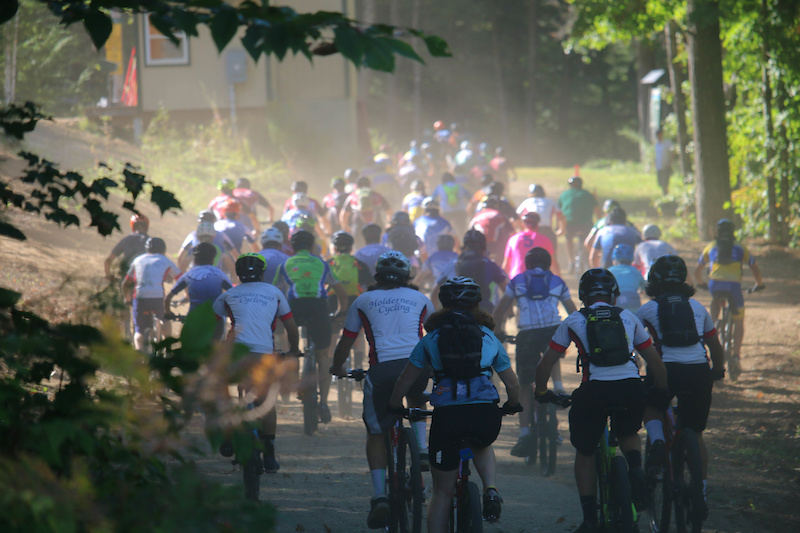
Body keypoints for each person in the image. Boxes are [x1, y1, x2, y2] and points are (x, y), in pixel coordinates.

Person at [534, 268, 668, 533]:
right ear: (614, 295)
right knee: (629, 431)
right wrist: (661, 391)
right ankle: (636, 470)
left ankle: (589, 519)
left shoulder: (573, 320)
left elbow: (545, 364)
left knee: (585, 451)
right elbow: (654, 361)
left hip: (593, 391)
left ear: (583, 297)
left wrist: (541, 392)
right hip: (630, 388)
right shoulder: (628, 317)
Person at [389, 276, 522, 533]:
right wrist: (511, 405)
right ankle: (490, 488)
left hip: (448, 418)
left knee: (442, 492)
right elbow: (513, 385)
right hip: (484, 415)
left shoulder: (430, 339)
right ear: (477, 306)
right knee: (482, 443)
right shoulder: (488, 336)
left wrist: (395, 405)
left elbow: (405, 380)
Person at [330, 251, 435, 530]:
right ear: (407, 276)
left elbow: (347, 340)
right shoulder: (421, 299)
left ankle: (379, 496)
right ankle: (422, 448)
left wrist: (336, 367)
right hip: (419, 365)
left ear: (376, 276)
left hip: (383, 370)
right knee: (416, 396)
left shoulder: (363, 300)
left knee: (376, 432)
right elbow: (435, 335)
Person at [636, 255, 724, 515]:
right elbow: (715, 346)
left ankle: (658, 441)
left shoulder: (647, 309)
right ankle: (701, 494)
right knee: (695, 432)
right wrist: (717, 372)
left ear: (654, 280)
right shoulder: (698, 307)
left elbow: (633, 344)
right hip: (698, 371)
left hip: (666, 370)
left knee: (651, 405)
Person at [212, 253, 301, 476]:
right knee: (266, 401)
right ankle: (269, 454)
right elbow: (291, 327)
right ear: (263, 274)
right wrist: (294, 350)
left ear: (238, 275)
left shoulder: (228, 295)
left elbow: (212, 325)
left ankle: (228, 432)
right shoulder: (274, 292)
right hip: (264, 354)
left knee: (221, 388)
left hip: (236, 354)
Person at [493, 247, 576, 458]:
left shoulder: (517, 280)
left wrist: (498, 331)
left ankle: (524, 434)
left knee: (524, 383)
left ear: (526, 264)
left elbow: (501, 310)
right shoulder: (558, 281)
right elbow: (573, 312)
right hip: (552, 332)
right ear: (548, 264)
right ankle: (557, 387)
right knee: (553, 351)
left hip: (527, 334)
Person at [274, 230, 348, 424]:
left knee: (292, 349)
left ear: (293, 246)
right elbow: (341, 293)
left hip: (295, 307)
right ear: (312, 246)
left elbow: (275, 291)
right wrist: (341, 311)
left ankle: (295, 381)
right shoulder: (322, 264)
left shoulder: (285, 264)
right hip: (318, 307)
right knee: (323, 356)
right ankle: (323, 403)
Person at [694, 219, 763, 374]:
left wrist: (701, 283)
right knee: (739, 322)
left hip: (715, 285)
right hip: (734, 287)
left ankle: (712, 325)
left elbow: (698, 270)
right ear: (733, 232)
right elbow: (755, 269)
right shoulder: (740, 247)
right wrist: (758, 284)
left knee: (715, 301)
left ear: (716, 232)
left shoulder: (711, 246)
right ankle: (736, 356)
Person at [121, 237, 181, 352]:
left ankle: (139, 354)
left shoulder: (138, 260)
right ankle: (166, 343)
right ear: (163, 250)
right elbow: (181, 279)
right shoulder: (165, 260)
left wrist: (128, 300)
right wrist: (181, 295)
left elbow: (125, 284)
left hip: (140, 298)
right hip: (157, 298)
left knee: (139, 331)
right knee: (165, 319)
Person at [164, 242, 233, 339]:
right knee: (214, 351)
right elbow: (236, 295)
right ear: (213, 260)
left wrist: (168, 313)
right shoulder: (220, 274)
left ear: (195, 260)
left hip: (194, 318)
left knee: (190, 351)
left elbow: (168, 298)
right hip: (215, 319)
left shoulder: (189, 274)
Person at [327, 231, 372, 368]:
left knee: (333, 335)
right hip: (355, 301)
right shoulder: (359, 264)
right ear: (351, 248)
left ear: (334, 248)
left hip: (334, 301)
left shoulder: (329, 263)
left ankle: (331, 366)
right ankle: (358, 367)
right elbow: (370, 284)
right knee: (358, 333)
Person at [435, 229, 508, 313]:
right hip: (482, 310)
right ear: (484, 246)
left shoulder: (453, 262)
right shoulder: (489, 263)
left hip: (456, 310)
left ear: (465, 246)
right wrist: (505, 313)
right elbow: (506, 289)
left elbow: (436, 291)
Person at [557, 176, 598, 274]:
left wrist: (559, 227)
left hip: (569, 224)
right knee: (589, 240)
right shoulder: (588, 195)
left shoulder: (564, 195)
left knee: (568, 239)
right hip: (586, 225)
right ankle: (589, 261)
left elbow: (559, 213)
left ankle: (570, 261)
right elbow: (597, 212)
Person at [502, 212, 559, 279]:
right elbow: (553, 265)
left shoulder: (513, 239)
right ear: (537, 225)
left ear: (523, 224)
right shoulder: (545, 240)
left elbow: (506, 266)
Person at [340, 176, 391, 246]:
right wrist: (388, 224)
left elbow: (343, 215)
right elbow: (389, 211)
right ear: (370, 184)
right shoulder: (376, 195)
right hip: (376, 225)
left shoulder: (352, 197)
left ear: (357, 186)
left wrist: (346, 227)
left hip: (358, 227)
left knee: (359, 249)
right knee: (379, 248)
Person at [516, 184, 565, 255]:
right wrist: (561, 230)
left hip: (531, 230)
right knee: (551, 254)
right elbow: (560, 216)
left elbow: (517, 216)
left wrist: (520, 230)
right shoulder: (550, 201)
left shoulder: (528, 201)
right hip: (547, 230)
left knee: (528, 253)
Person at [468, 194, 516, 261]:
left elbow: (469, 232)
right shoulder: (500, 215)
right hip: (497, 247)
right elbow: (512, 233)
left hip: (480, 245)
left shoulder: (477, 216)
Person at [104, 214, 150, 281]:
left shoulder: (126, 240)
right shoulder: (152, 242)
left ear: (133, 227)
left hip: (126, 278)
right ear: (146, 227)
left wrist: (108, 276)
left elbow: (108, 261)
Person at [608, 244, 645, 311]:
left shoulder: (610, 271)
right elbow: (644, 288)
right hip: (633, 301)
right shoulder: (635, 270)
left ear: (614, 258)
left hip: (617, 301)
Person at [654, 130, 673, 195]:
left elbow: (672, 152)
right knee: (661, 183)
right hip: (659, 167)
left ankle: (667, 195)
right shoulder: (657, 144)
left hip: (665, 166)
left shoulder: (667, 143)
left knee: (665, 182)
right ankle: (664, 195)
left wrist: (669, 162)